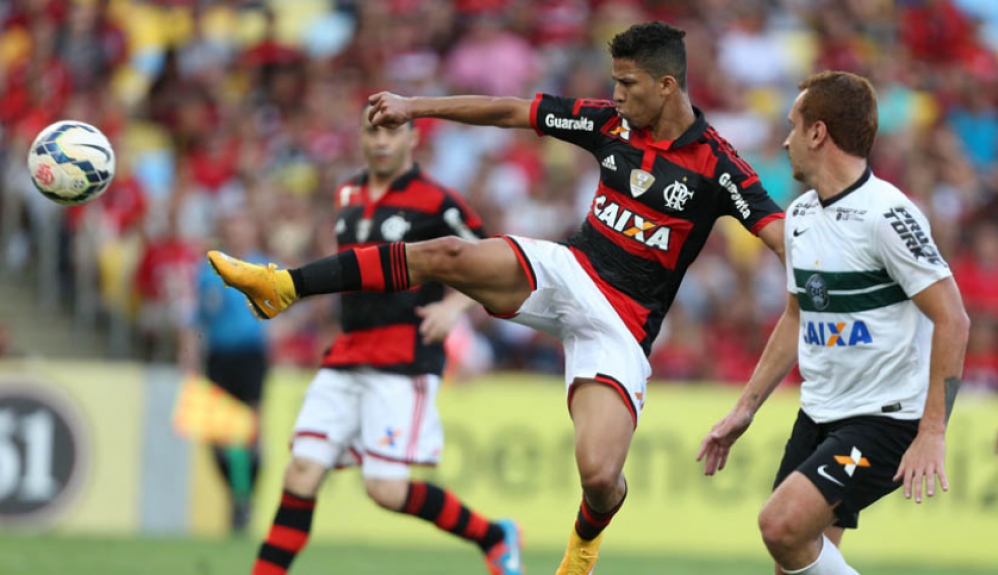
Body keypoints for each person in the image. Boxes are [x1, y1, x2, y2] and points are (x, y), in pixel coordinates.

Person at [212, 21, 786, 574]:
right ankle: (283, 285)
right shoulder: (610, 123)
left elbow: (781, 238)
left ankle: (582, 551)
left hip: (622, 325)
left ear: (667, 86)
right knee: (447, 254)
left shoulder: (719, 165)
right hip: (569, 269)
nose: (616, 94)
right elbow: (511, 110)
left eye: (627, 84)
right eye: (615, 82)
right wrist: (417, 105)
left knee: (599, 476)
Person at [697, 71, 971, 575]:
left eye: (792, 125)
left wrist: (932, 430)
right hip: (821, 415)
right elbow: (796, 317)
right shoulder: (799, 216)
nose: (784, 140)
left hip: (887, 419)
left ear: (818, 133)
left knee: (780, 526)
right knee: (794, 562)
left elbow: (953, 317)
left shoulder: (887, 214)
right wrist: (745, 408)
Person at [250, 107, 522, 575]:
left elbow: (491, 260)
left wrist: (452, 308)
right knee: (300, 472)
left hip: (405, 355)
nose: (381, 141)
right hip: (349, 350)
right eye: (371, 130)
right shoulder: (347, 192)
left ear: (413, 138)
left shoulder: (437, 201)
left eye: (392, 131)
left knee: (386, 490)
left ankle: (494, 536)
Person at [180, 211, 270, 533]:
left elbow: (288, 308)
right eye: (232, 227)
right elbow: (196, 318)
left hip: (251, 357)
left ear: (252, 232)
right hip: (218, 357)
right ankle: (238, 496)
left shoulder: (266, 267)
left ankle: (244, 501)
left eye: (243, 226)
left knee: (250, 434)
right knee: (218, 439)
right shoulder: (209, 272)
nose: (238, 234)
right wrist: (188, 356)